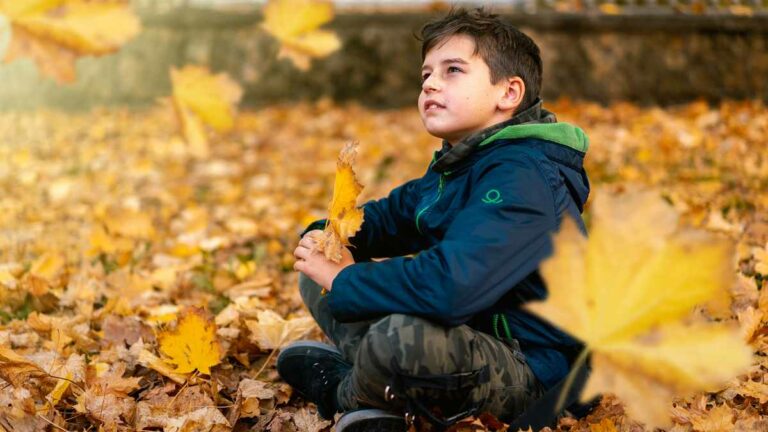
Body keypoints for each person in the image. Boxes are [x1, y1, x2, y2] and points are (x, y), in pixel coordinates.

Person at [278, 7, 590, 431]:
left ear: (508, 93)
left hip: (536, 369)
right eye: (426, 74)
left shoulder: (525, 176)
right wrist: (326, 237)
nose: (431, 84)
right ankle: (379, 387)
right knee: (319, 274)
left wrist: (347, 280)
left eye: (453, 70)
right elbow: (392, 217)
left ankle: (343, 393)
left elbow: (453, 286)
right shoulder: (460, 164)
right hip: (470, 335)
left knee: (401, 336)